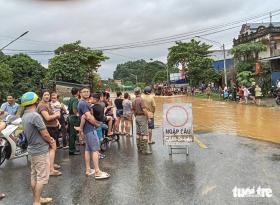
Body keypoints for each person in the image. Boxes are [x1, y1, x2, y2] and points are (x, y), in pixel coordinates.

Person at [21, 92, 55, 205]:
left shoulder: (25, 115)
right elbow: (45, 133)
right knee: (42, 177)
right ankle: (36, 201)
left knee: (34, 175)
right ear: (35, 101)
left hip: (32, 150)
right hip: (40, 150)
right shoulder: (35, 116)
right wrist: (51, 141)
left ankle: (38, 198)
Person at [77, 87, 110, 179]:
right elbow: (88, 116)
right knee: (95, 150)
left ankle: (88, 169)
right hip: (90, 129)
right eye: (84, 91)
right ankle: (97, 171)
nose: (87, 93)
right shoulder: (83, 103)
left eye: (88, 91)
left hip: (87, 130)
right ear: (80, 93)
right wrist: (97, 124)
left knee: (88, 150)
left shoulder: (84, 103)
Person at [37, 90, 62, 176]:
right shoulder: (42, 106)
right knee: (52, 147)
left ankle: (51, 163)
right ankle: (50, 169)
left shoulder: (48, 104)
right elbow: (47, 118)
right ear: (41, 96)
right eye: (45, 95)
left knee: (50, 148)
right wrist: (57, 115)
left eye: (48, 95)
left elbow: (52, 114)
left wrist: (57, 121)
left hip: (53, 127)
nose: (47, 96)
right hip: (48, 128)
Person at [132, 87, 151, 154]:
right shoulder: (141, 100)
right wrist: (148, 118)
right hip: (142, 117)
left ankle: (139, 148)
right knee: (145, 134)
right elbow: (144, 110)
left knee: (138, 133)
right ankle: (145, 150)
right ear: (140, 92)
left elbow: (133, 110)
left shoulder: (133, 100)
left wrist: (136, 116)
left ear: (135, 93)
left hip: (136, 117)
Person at [67, 88, 81, 155]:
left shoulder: (71, 98)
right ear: (77, 92)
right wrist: (77, 115)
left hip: (70, 117)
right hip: (73, 118)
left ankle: (73, 148)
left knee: (72, 134)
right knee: (73, 135)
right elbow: (74, 107)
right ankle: (71, 150)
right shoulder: (75, 99)